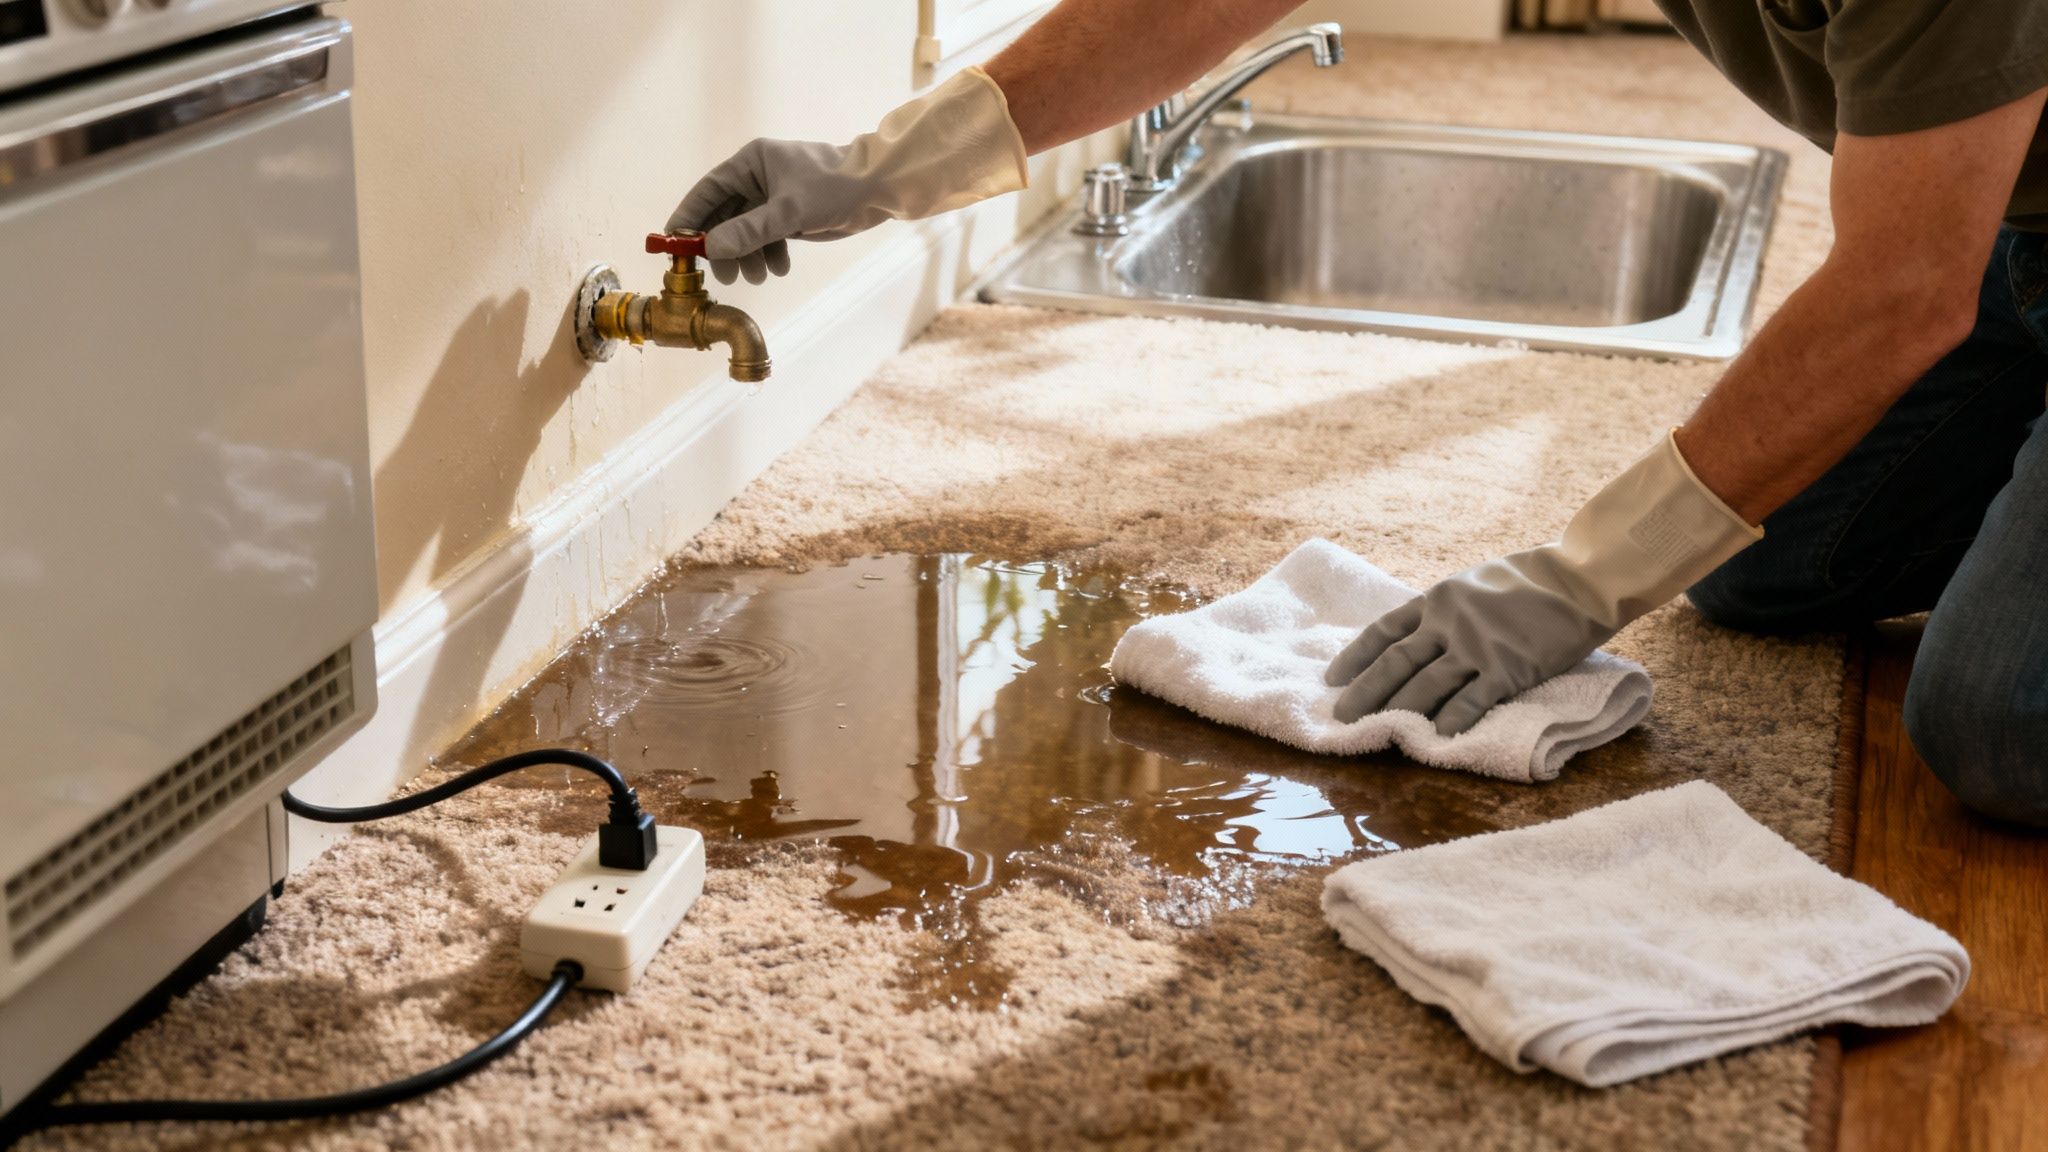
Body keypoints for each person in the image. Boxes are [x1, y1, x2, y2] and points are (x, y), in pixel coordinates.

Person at [669, 0, 2048, 825]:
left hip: (1954, 260)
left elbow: (1900, 286)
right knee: (1761, 572)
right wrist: (879, 169)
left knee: (1995, 724)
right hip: (2014, 237)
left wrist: (1575, 582)